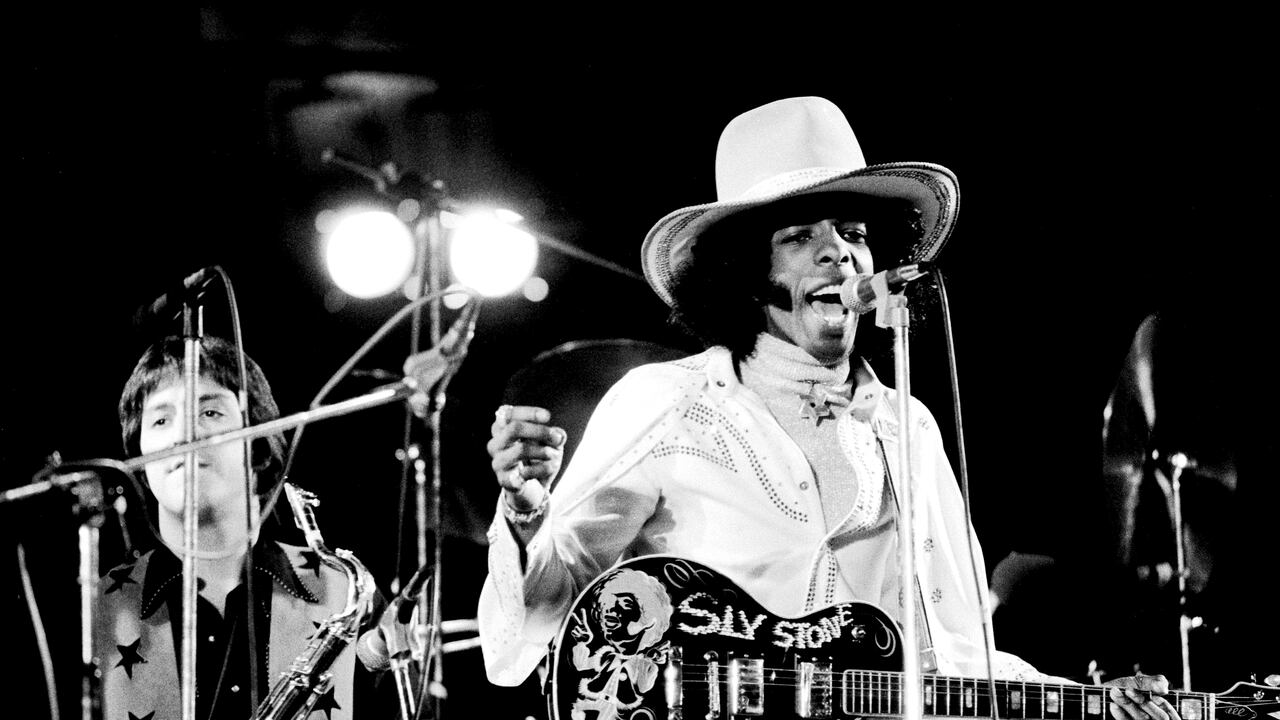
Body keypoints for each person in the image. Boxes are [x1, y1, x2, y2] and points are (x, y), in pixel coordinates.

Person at [478, 96, 1182, 720]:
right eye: (799, 237)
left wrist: (1090, 700)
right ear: (746, 273)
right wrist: (525, 512)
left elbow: (959, 661)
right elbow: (528, 632)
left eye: (852, 232)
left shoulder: (907, 426)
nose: (837, 255)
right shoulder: (667, 406)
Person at [98, 335, 379, 720]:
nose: (185, 436)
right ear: (140, 460)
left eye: (210, 413)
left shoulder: (344, 593)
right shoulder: (100, 612)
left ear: (258, 445)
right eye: (161, 420)